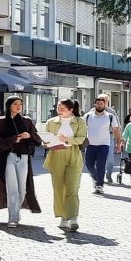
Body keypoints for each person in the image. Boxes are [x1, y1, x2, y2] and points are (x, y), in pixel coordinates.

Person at [0, 95, 43, 227]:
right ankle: (13, 217)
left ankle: (16, 212)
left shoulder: (27, 121)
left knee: (22, 189)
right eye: (15, 104)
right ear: (9, 106)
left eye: (20, 103)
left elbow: (37, 140)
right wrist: (14, 139)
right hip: (8, 157)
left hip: (23, 158)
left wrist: (29, 136)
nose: (19, 106)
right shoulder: (1, 121)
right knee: (12, 188)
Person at [43, 98, 87, 232]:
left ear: (71, 110)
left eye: (62, 109)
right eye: (58, 108)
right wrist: (45, 143)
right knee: (58, 188)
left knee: (72, 187)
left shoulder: (80, 121)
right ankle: (63, 216)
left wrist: (67, 139)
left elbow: (82, 138)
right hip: (56, 155)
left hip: (73, 155)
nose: (59, 111)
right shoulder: (51, 122)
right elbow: (45, 139)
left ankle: (73, 217)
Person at [84, 93, 122, 194]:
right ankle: (97, 179)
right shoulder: (88, 116)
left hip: (104, 144)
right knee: (89, 165)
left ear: (105, 105)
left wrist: (118, 144)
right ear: (94, 105)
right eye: (97, 104)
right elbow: (82, 129)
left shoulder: (110, 116)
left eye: (101, 104)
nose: (99, 106)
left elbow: (116, 130)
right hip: (91, 144)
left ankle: (100, 185)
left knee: (101, 165)